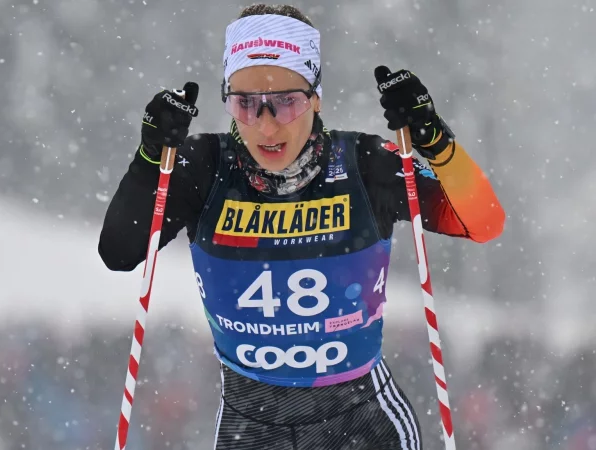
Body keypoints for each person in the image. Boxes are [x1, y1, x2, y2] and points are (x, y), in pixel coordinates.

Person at [98, 3, 505, 449]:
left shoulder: (364, 165)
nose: (266, 124)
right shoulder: (204, 168)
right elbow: (119, 251)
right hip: (249, 427)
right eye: (245, 104)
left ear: (315, 97)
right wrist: (149, 159)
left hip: (360, 425)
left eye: (286, 102)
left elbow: (482, 222)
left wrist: (435, 139)